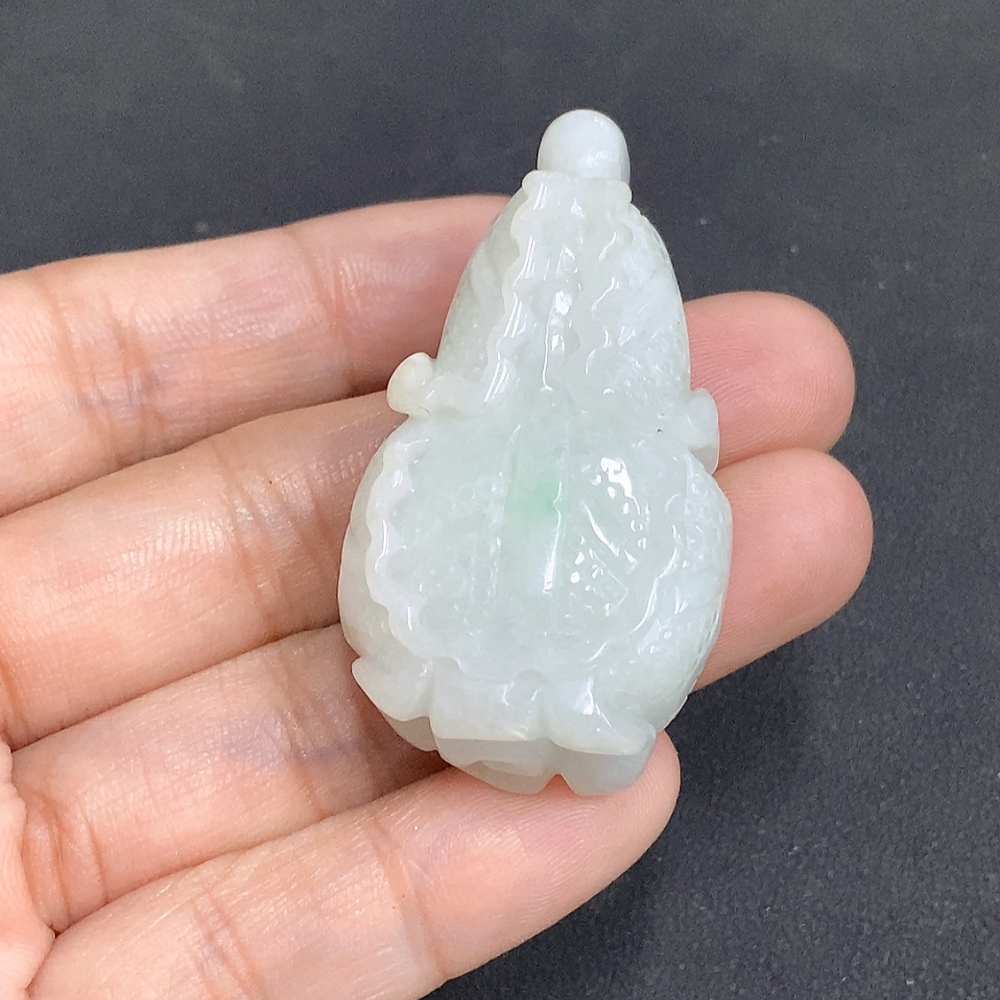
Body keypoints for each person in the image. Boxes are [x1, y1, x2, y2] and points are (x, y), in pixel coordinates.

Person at [0, 196, 871, 999]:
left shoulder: (628, 418)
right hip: (468, 609)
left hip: (565, 630)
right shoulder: (490, 383)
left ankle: (536, 689)